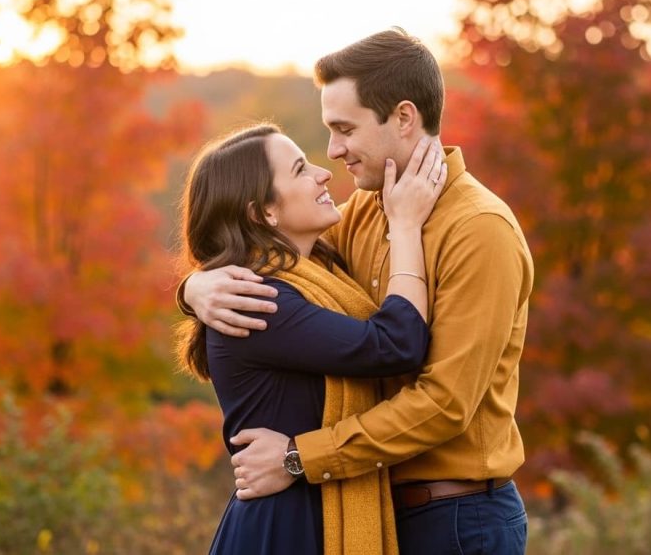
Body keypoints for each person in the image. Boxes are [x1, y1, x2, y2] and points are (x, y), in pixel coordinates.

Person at [181, 29, 534, 554]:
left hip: (457, 519)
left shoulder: (479, 230)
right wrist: (196, 287)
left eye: (345, 129)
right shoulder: (368, 210)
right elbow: (274, 250)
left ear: (404, 118)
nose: (334, 150)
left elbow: (444, 405)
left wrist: (300, 458)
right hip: (373, 509)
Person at [177, 122, 447, 554]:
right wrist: (407, 227)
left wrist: (191, 286)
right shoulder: (260, 300)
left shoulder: (318, 273)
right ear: (262, 213)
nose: (323, 174)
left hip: (306, 515)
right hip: (284, 530)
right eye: (301, 169)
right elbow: (395, 345)